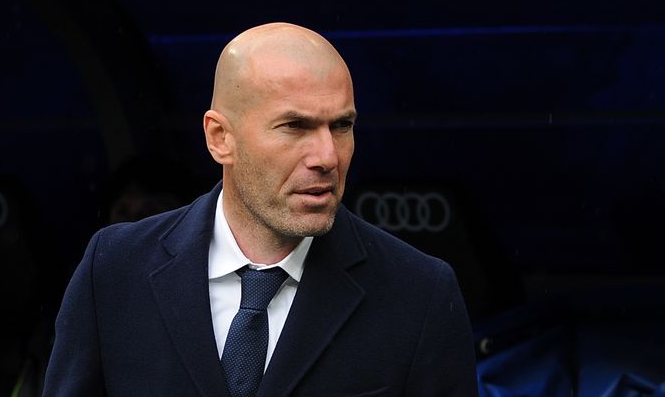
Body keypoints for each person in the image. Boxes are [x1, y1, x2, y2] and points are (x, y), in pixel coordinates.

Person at [43, 22, 478, 396]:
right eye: (295, 126)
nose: (327, 156)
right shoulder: (115, 269)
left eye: (341, 126)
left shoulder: (418, 293)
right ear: (220, 138)